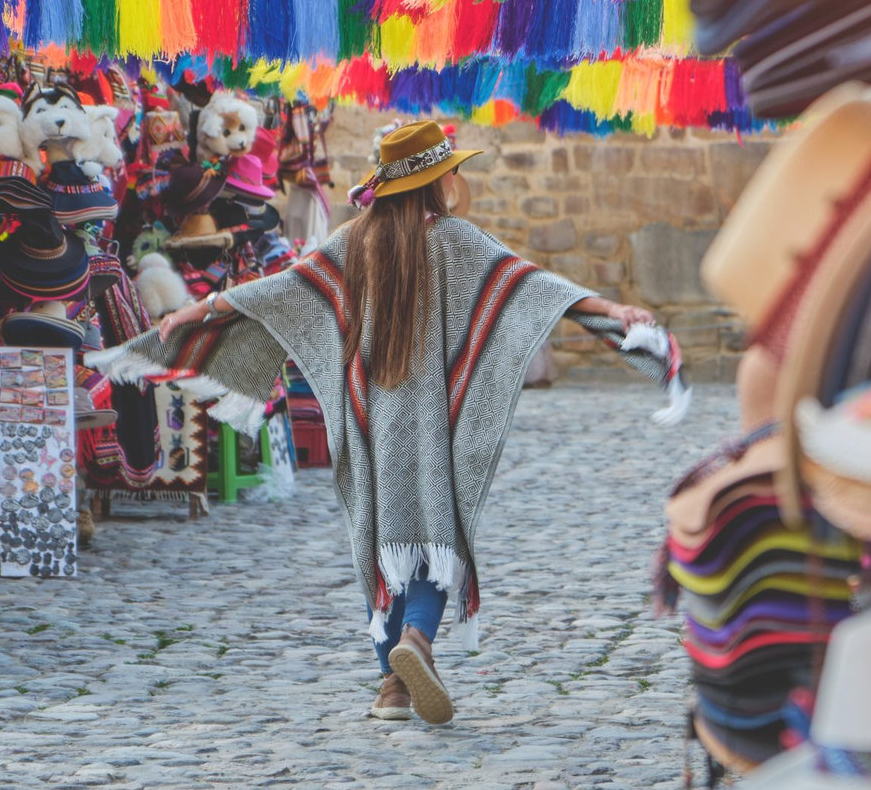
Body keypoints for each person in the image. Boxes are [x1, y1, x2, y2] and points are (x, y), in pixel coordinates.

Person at [133, 121, 682, 725]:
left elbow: (275, 292)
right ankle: (417, 640)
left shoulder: (352, 242)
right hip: (435, 425)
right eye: (452, 172)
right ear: (436, 181)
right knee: (437, 539)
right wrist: (613, 310)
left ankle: (391, 686)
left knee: (379, 540)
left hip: (369, 425)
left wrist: (197, 307)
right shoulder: (457, 241)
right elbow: (533, 289)